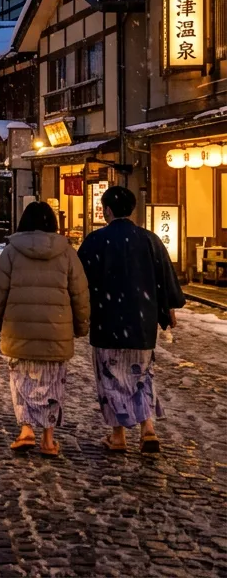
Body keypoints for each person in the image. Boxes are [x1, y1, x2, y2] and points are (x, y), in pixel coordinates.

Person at [77, 186, 185, 454]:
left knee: (111, 377)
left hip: (107, 321)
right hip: (141, 321)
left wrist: (79, 311)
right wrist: (168, 307)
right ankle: (147, 428)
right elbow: (164, 277)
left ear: (108, 210)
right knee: (142, 376)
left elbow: (79, 282)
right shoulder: (149, 239)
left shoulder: (95, 240)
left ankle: (118, 436)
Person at [0, 202, 90, 457]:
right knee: (52, 386)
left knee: (22, 382)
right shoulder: (67, 253)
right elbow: (80, 293)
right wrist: (81, 326)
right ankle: (48, 439)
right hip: (56, 332)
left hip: (19, 331)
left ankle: (26, 430)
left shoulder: (11, 252)